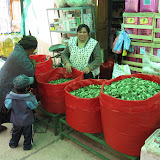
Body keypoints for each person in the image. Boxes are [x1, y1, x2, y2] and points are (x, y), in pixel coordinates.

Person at [0, 35, 38, 133]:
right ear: (30, 49)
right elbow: (30, 73)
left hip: (3, 78)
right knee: (10, 105)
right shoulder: (21, 57)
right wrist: (33, 63)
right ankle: (19, 126)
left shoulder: (18, 50)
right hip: (7, 84)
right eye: (33, 50)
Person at [4, 74, 38, 150]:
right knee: (28, 134)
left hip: (16, 121)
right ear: (27, 88)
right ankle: (27, 146)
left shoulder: (10, 97)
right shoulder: (29, 99)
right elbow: (35, 106)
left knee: (15, 132)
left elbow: (8, 106)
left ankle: (13, 143)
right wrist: (32, 96)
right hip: (27, 121)